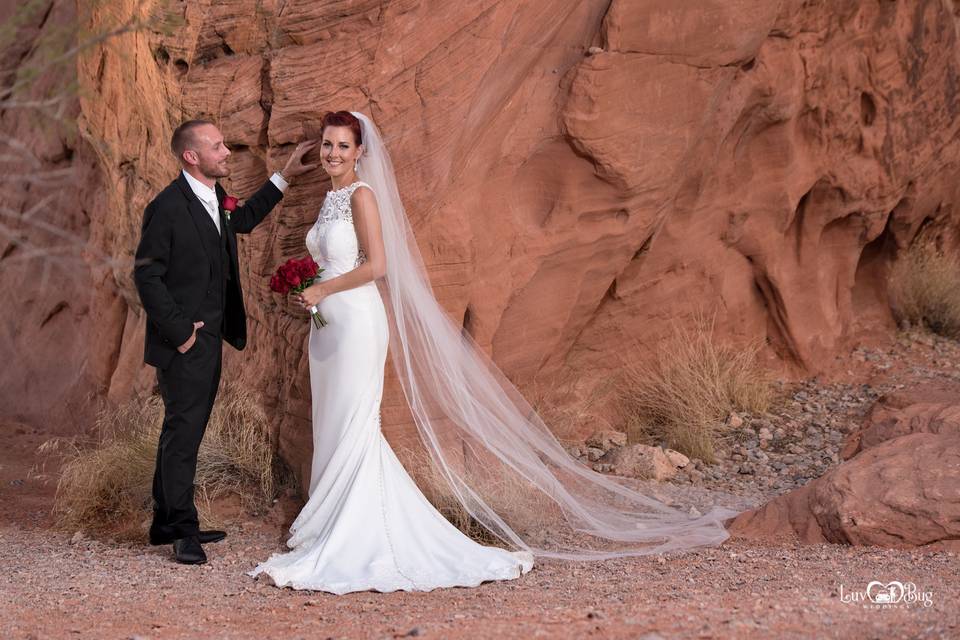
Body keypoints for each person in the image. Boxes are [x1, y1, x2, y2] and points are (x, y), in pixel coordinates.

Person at [250, 110, 743, 594]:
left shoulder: (361, 195)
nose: (334, 153)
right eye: (328, 144)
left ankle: (356, 533)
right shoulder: (330, 197)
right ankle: (332, 521)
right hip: (329, 326)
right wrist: (310, 288)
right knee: (333, 423)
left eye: (343, 145)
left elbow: (378, 265)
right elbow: (338, 257)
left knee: (356, 423)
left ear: (360, 152)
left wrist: (324, 288)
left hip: (356, 322)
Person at [134, 120, 317, 565]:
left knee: (183, 428)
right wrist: (180, 333)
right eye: (216, 146)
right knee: (184, 433)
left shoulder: (215, 198)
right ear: (191, 157)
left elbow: (245, 219)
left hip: (209, 339)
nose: (226, 151)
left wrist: (285, 174)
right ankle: (181, 530)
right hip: (187, 341)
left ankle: (166, 522)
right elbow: (146, 274)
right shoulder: (168, 206)